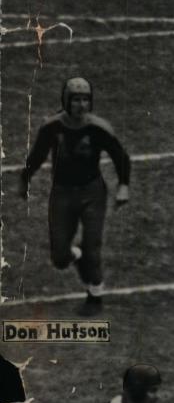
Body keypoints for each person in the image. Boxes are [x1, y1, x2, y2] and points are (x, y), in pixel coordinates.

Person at [19, 77, 131, 315]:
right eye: (76, 99)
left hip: (92, 192)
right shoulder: (52, 127)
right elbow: (37, 156)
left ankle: (95, 294)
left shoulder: (98, 128)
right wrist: (24, 180)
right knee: (60, 257)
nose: (81, 105)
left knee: (93, 246)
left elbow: (121, 157)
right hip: (62, 193)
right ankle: (76, 256)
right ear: (66, 101)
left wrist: (124, 185)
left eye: (85, 99)